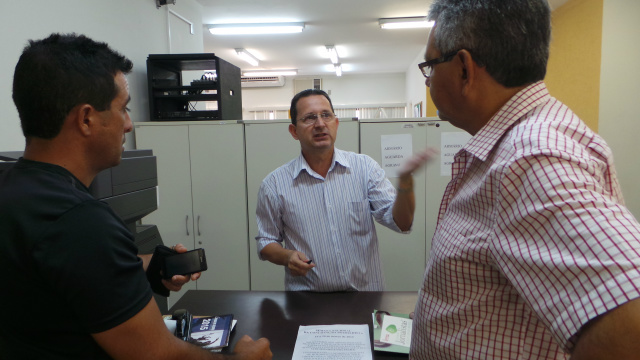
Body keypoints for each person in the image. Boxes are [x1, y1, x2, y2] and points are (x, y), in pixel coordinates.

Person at [0, 33, 271, 360]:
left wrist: (151, 265)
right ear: (86, 119)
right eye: (123, 110)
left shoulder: (14, 189)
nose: (128, 124)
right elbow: (157, 354)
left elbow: (63, 274)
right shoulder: (79, 221)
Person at [410, 0, 640, 359]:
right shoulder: (514, 145)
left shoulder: (532, 156)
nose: (428, 80)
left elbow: (631, 323)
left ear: (464, 69)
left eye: (430, 65)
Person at [255, 89, 435, 291]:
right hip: (307, 301)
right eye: (310, 118)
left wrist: (405, 182)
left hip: (365, 297)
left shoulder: (364, 168)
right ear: (294, 131)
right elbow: (266, 241)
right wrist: (287, 256)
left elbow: (401, 223)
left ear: (336, 123)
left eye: (326, 115)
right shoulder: (274, 184)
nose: (320, 124)